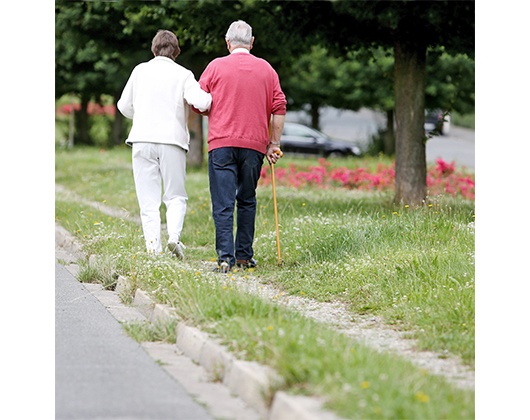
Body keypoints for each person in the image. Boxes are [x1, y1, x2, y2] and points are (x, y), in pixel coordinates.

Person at [194, 20, 287, 273]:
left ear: (227, 42)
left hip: (221, 143)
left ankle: (226, 258)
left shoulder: (215, 66)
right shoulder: (267, 69)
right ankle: (244, 256)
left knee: (223, 203)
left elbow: (199, 102)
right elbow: (279, 106)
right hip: (254, 146)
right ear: (252, 42)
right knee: (246, 199)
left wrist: (217, 110)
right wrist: (274, 143)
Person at [117, 30, 212, 257]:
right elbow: (203, 101)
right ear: (176, 52)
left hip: (142, 139)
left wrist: (140, 115)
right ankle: (174, 238)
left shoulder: (139, 70)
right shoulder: (183, 74)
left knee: (148, 199)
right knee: (175, 195)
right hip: (172, 141)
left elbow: (123, 106)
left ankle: (153, 248)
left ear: (154, 49)